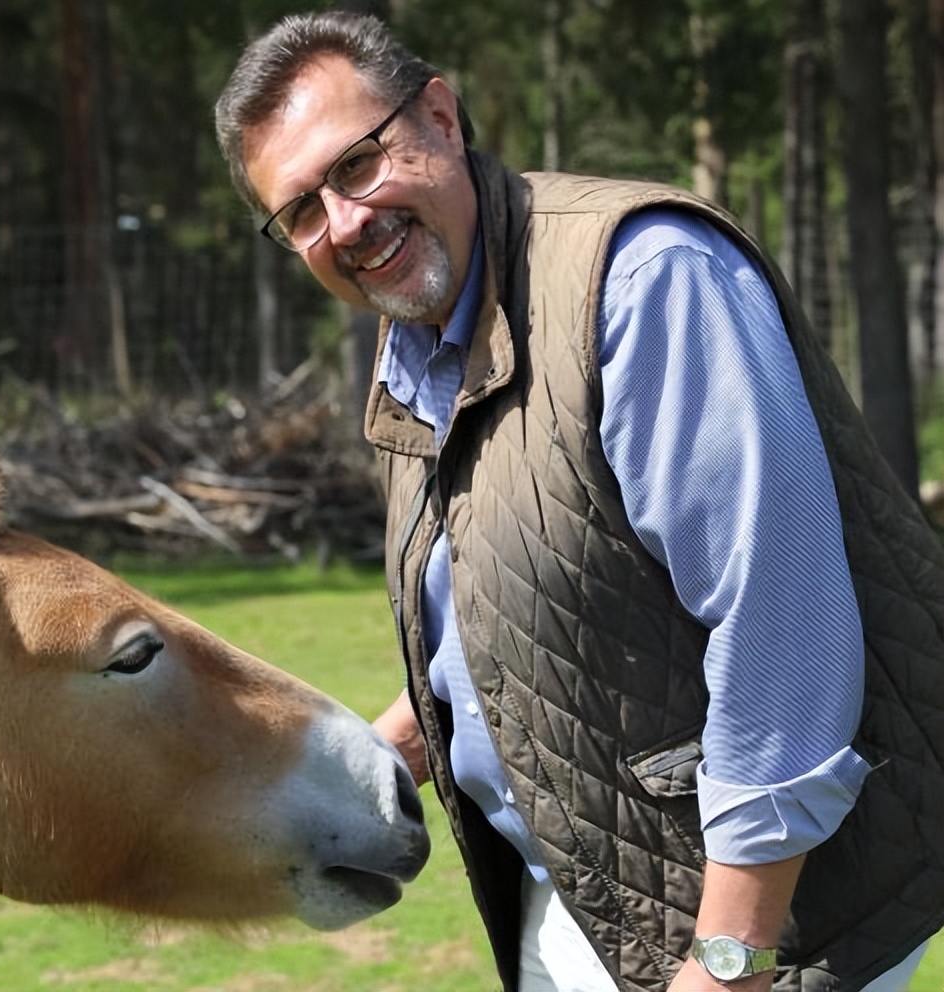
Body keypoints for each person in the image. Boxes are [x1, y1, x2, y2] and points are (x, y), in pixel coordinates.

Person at [214, 12, 944, 992]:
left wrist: (730, 956)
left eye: (356, 165)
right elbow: (496, 625)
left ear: (440, 117)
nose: (344, 222)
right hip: (589, 896)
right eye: (302, 209)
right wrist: (351, 767)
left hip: (773, 918)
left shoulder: (641, 279)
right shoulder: (418, 346)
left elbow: (783, 629)